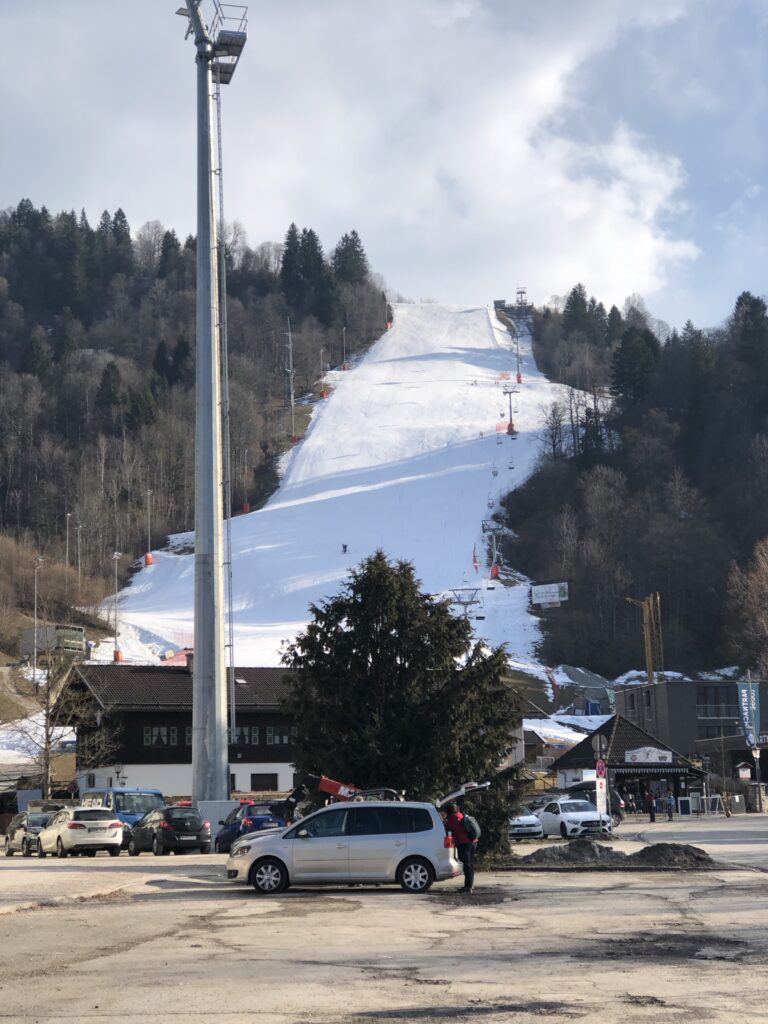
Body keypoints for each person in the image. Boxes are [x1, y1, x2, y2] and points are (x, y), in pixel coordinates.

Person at [443, 801, 477, 893]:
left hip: (465, 843)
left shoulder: (453, 818)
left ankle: (468, 887)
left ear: (448, 811)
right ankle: (470, 885)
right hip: (472, 842)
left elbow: (446, 828)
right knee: (470, 864)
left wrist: (444, 820)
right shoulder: (460, 814)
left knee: (467, 865)